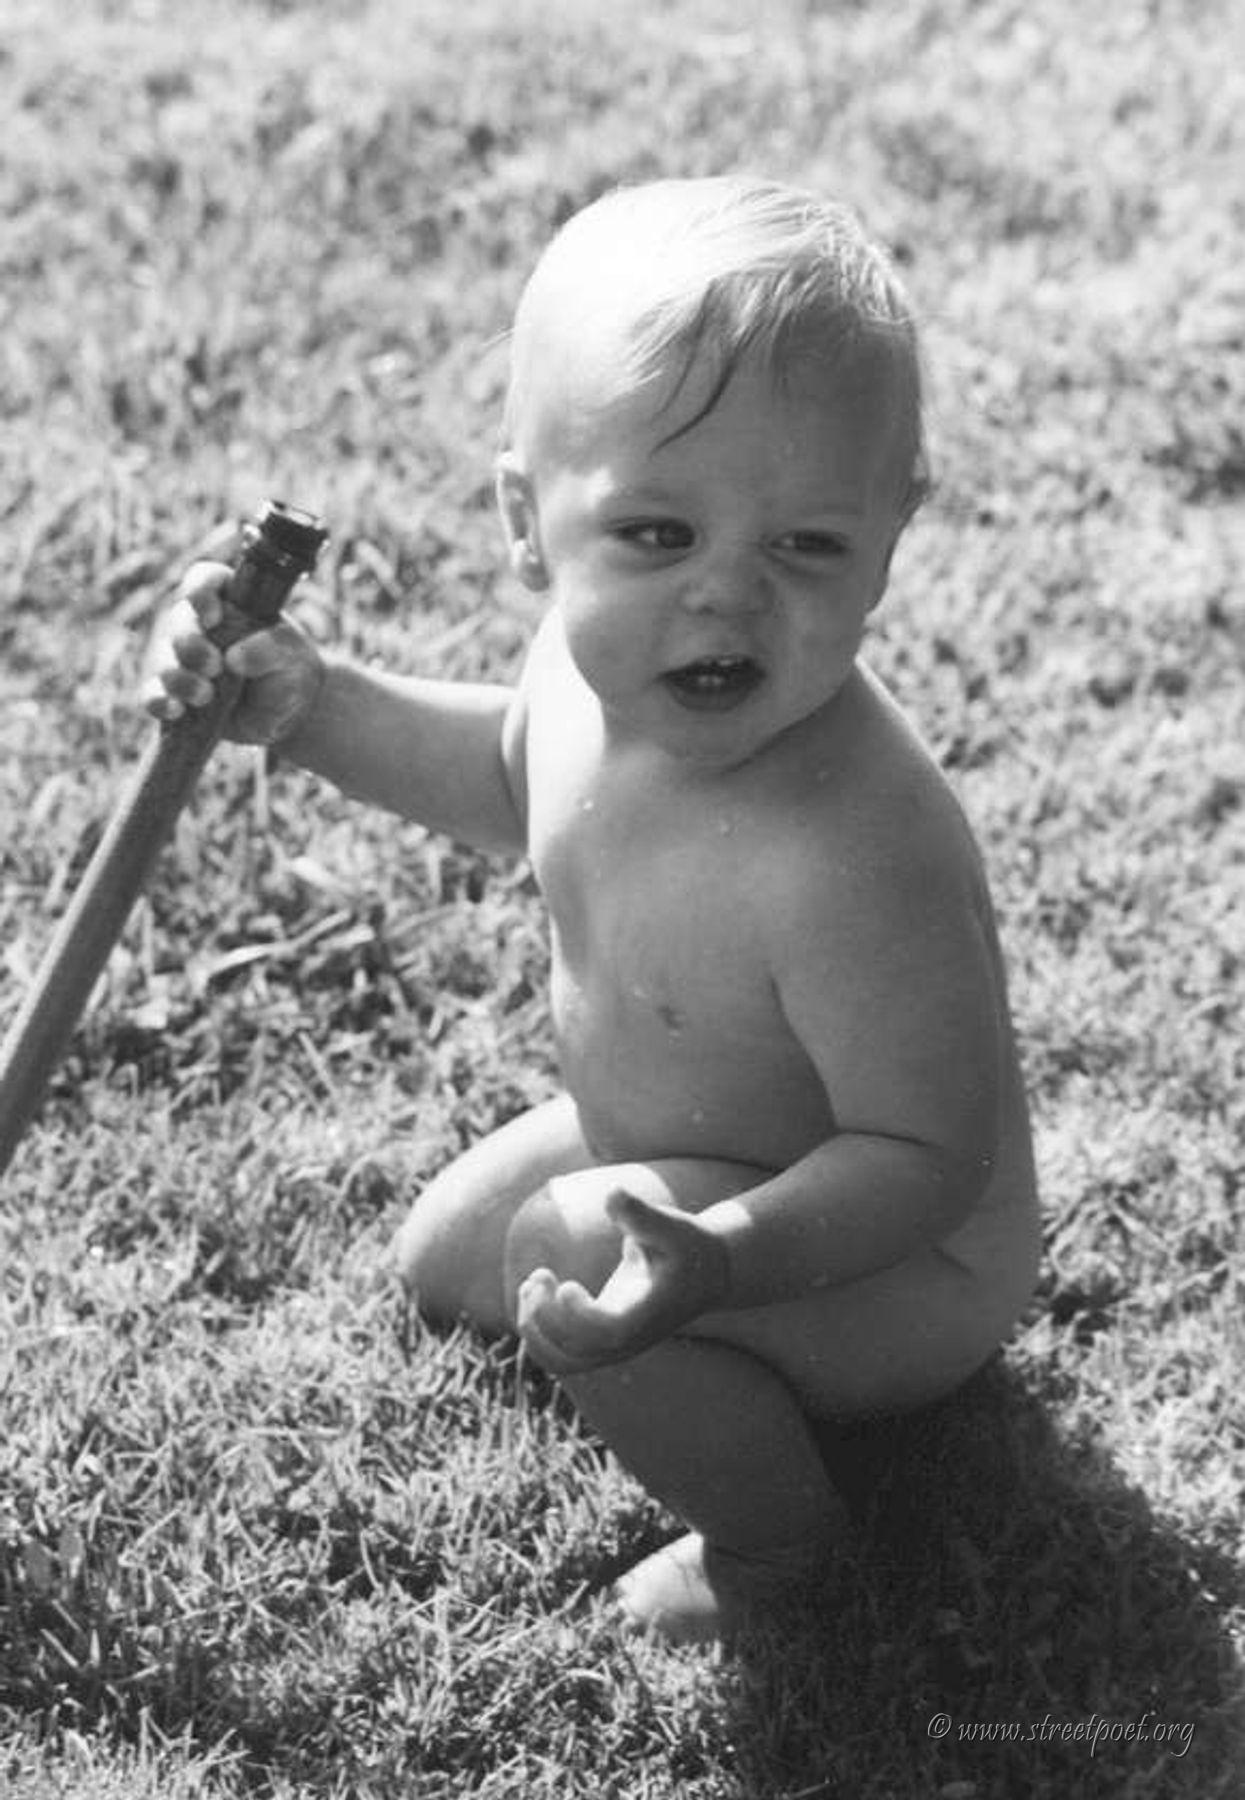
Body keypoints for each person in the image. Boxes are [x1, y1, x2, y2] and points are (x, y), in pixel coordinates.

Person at [147, 176, 1042, 1643]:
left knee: (563, 1249)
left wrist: (723, 1255)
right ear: (528, 520)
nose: (725, 598)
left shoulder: (851, 854)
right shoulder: (580, 676)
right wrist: (312, 706)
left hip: (890, 1262)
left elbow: (925, 1160)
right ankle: (662, 1328)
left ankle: (778, 1556)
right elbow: (507, 775)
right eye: (656, 534)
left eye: (807, 546)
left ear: (891, 534)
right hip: (687, 1146)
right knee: (452, 1257)